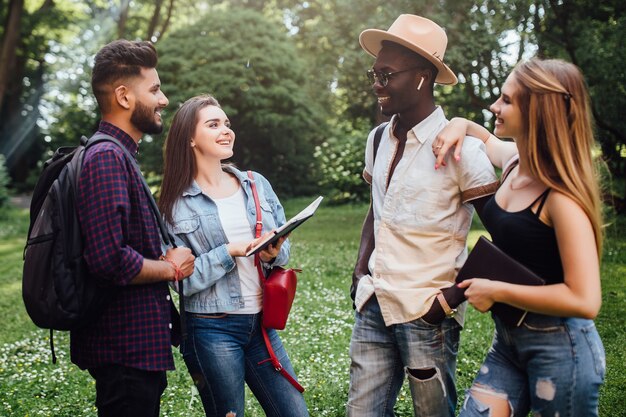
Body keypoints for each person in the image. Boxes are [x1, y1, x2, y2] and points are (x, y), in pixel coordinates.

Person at [433, 58, 606, 416]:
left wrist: (496, 291)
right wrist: (458, 124)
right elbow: (485, 138)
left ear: (539, 112)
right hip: (508, 342)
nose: (495, 107)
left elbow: (585, 299)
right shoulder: (514, 161)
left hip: (562, 351)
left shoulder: (560, 198)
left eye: (507, 101)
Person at [348, 14, 498, 417]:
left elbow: (506, 232)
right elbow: (377, 206)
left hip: (427, 312)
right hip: (374, 302)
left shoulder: (462, 150)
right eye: (374, 73)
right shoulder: (377, 139)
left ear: (422, 76)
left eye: (387, 74)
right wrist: (360, 269)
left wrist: (452, 297)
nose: (377, 84)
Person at [158, 94, 309, 417]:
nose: (226, 130)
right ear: (190, 139)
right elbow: (182, 279)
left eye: (226, 123)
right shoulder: (173, 203)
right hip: (211, 329)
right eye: (213, 124)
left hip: (262, 325)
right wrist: (228, 251)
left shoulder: (256, 184)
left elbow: (284, 250)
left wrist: (273, 253)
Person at [71, 39, 195, 417]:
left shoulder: (119, 154)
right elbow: (108, 260)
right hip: (123, 348)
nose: (164, 99)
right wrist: (170, 267)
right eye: (154, 89)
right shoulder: (106, 157)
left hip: (134, 347)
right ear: (124, 96)